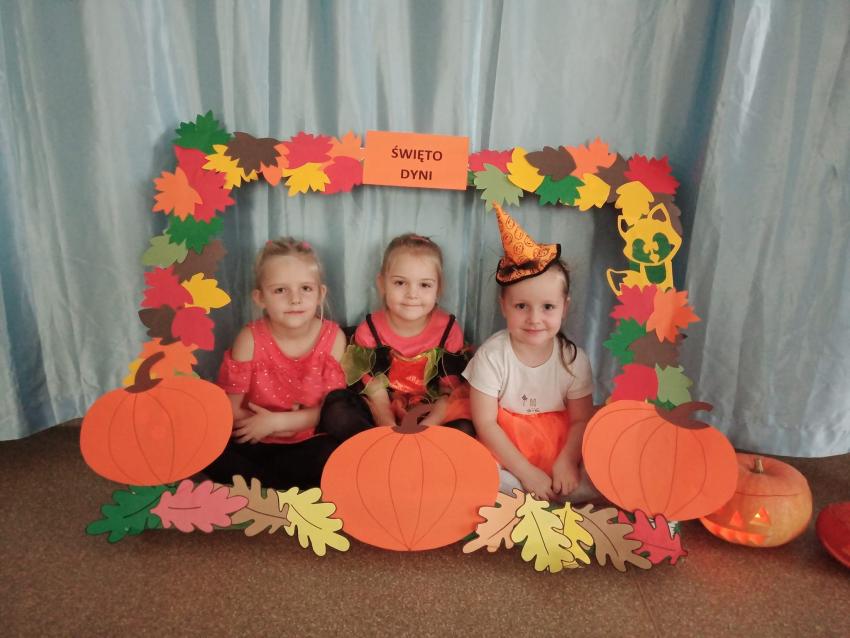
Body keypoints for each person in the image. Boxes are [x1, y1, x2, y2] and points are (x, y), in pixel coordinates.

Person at [204, 237, 373, 489]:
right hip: (255, 439)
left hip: (308, 441)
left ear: (320, 294)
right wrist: (262, 426)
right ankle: (276, 486)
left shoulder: (333, 338)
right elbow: (231, 407)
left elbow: (329, 410)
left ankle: (269, 486)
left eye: (305, 288)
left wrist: (278, 422)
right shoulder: (249, 339)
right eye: (280, 290)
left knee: (331, 454)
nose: (295, 299)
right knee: (209, 450)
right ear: (260, 298)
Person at [463, 204, 597, 502]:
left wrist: (566, 461)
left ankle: (559, 488)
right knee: (481, 472)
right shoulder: (492, 356)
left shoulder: (573, 359)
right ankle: (524, 490)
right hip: (506, 445)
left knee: (600, 467)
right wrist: (526, 472)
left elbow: (581, 420)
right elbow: (485, 424)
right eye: (521, 306)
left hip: (560, 443)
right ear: (503, 306)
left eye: (547, 307)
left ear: (565, 308)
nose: (534, 319)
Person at [345, 233, 473, 432]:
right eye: (400, 283)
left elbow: (448, 391)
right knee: (343, 414)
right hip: (384, 406)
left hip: (433, 409)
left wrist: (428, 427)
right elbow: (376, 393)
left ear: (438, 289)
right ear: (382, 284)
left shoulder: (448, 331)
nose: (412, 294)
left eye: (424, 285)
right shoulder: (369, 331)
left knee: (464, 427)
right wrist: (388, 425)